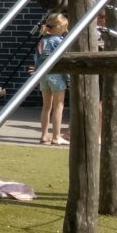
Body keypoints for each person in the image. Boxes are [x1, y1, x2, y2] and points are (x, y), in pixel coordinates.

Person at [36, 14, 69, 146]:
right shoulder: (59, 41)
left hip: (44, 75)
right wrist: (68, 78)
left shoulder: (42, 40)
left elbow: (37, 58)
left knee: (46, 106)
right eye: (65, 27)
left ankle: (44, 135)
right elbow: (64, 60)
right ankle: (56, 136)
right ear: (60, 27)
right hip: (57, 75)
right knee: (58, 106)